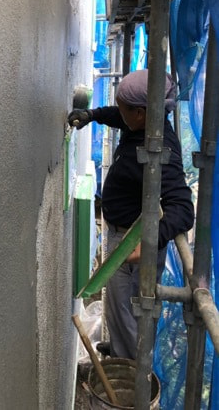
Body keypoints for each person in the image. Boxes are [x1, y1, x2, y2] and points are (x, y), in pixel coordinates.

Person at [68, 69, 194, 360]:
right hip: (121, 233)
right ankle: (120, 351)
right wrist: (92, 115)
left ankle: (129, 370)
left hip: (133, 244)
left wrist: (148, 243)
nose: (119, 112)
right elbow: (119, 116)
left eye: (124, 107)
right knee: (117, 305)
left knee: (130, 312)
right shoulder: (144, 126)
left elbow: (183, 209)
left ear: (140, 113)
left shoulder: (162, 151)